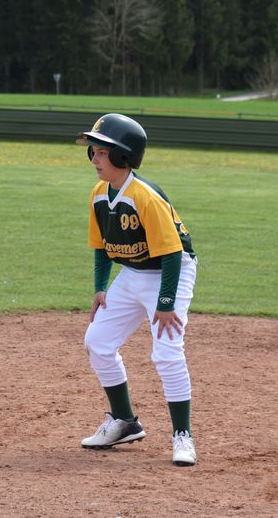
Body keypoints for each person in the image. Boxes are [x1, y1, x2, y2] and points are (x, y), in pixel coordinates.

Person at [75, 113, 199, 467]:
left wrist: (166, 302)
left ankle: (182, 435)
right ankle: (125, 421)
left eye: (103, 152)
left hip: (171, 272)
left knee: (167, 352)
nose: (95, 159)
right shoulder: (99, 195)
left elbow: (172, 252)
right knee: (98, 341)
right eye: (94, 152)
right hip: (133, 271)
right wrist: (100, 287)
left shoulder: (145, 196)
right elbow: (102, 246)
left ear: (123, 156)